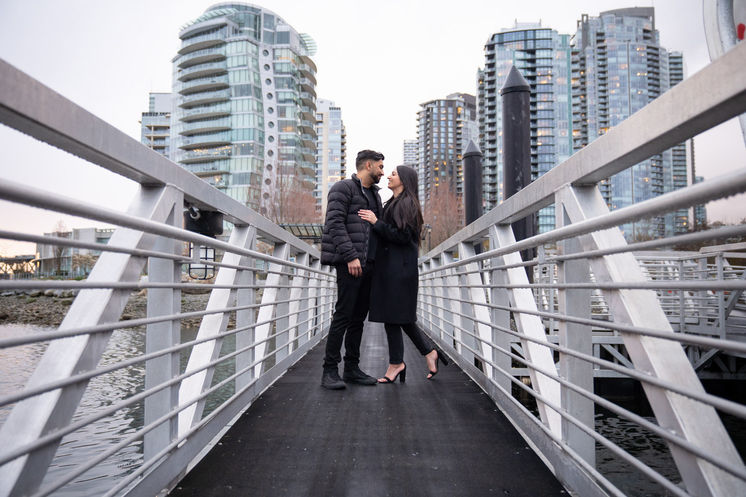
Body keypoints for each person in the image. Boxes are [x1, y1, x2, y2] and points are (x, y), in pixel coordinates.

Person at [359, 165, 448, 383]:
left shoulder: (408, 204)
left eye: (394, 174)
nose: (389, 176)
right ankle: (423, 354)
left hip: (399, 270)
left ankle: (398, 363)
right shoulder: (395, 202)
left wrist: (376, 222)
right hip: (392, 268)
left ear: (404, 180)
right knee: (397, 316)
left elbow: (403, 236)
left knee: (396, 316)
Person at [319, 150, 385, 389]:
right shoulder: (343, 188)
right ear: (368, 165)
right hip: (350, 263)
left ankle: (351, 368)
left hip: (369, 265)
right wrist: (350, 256)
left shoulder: (375, 196)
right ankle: (329, 371)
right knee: (343, 315)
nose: (382, 172)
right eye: (379, 167)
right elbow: (334, 224)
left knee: (358, 319)